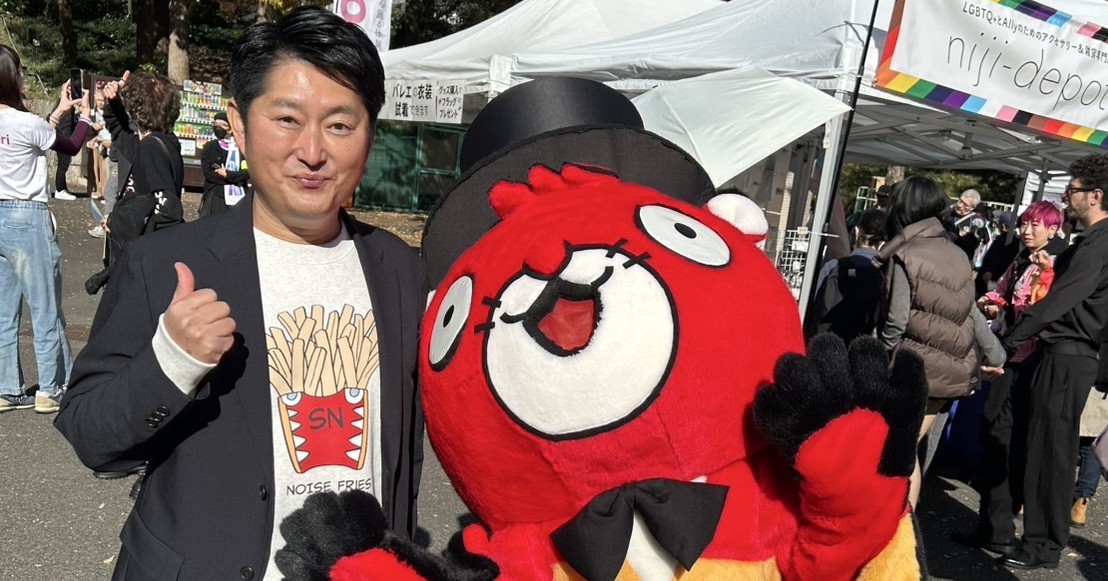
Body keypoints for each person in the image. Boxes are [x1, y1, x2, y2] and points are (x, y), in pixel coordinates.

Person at [54, 7, 427, 581]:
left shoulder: (402, 271)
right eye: (287, 119)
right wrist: (171, 361)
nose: (312, 151)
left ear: (369, 134)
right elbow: (91, 438)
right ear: (239, 123)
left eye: (340, 125)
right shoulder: (163, 265)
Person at [997, 154, 1108, 570]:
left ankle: (1042, 544)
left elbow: (1062, 301)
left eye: (1073, 189)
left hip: (1068, 357)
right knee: (1046, 449)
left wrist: (1010, 342)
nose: (1066, 196)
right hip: (1065, 355)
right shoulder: (1092, 243)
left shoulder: (1099, 242)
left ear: (1095, 195)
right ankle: (1041, 540)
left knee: (1051, 453)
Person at [874, 176, 1004, 508]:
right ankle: (907, 523)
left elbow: (895, 322)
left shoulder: (904, 254)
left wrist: (877, 360)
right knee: (908, 450)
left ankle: (895, 525)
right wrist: (995, 352)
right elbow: (970, 311)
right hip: (950, 371)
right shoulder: (958, 253)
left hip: (912, 369)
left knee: (896, 451)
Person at [954, 201, 1065, 556]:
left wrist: (1044, 274)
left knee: (1008, 440)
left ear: (1053, 229)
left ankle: (1002, 527)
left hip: (1031, 363)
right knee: (994, 436)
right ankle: (991, 525)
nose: (1027, 231)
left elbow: (1045, 309)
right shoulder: (1020, 260)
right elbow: (1001, 292)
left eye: (1036, 225)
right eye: (1024, 224)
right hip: (1007, 356)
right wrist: (990, 302)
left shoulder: (1056, 264)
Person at [0, 45, 88, 412]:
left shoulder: (24, 125)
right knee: (44, 306)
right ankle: (51, 388)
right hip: (27, 216)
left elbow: (37, 137)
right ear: (11, 77)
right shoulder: (27, 123)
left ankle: (7, 388)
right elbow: (70, 145)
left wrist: (59, 111)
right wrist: (85, 117)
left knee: (5, 310)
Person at [805, 208, 886, 341]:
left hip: (825, 342)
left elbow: (812, 305)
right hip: (860, 346)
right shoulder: (884, 276)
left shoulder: (832, 266)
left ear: (856, 232)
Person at [198, 111, 250, 217]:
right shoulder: (210, 147)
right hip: (216, 197)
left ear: (230, 129)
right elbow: (209, 173)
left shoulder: (242, 148)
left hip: (240, 197)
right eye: (216, 124)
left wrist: (227, 175)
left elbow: (246, 173)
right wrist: (235, 178)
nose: (218, 127)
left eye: (223, 125)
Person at [975, 210, 1020, 296]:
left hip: (990, 282)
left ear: (1002, 226)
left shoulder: (1001, 240)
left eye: (998, 224)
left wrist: (990, 271)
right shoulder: (1017, 241)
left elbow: (992, 259)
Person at [949, 187, 989, 263]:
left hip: (960, 259)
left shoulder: (976, 221)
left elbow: (974, 243)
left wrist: (965, 237)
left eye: (965, 205)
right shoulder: (949, 212)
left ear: (972, 207)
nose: (960, 205)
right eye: (960, 201)